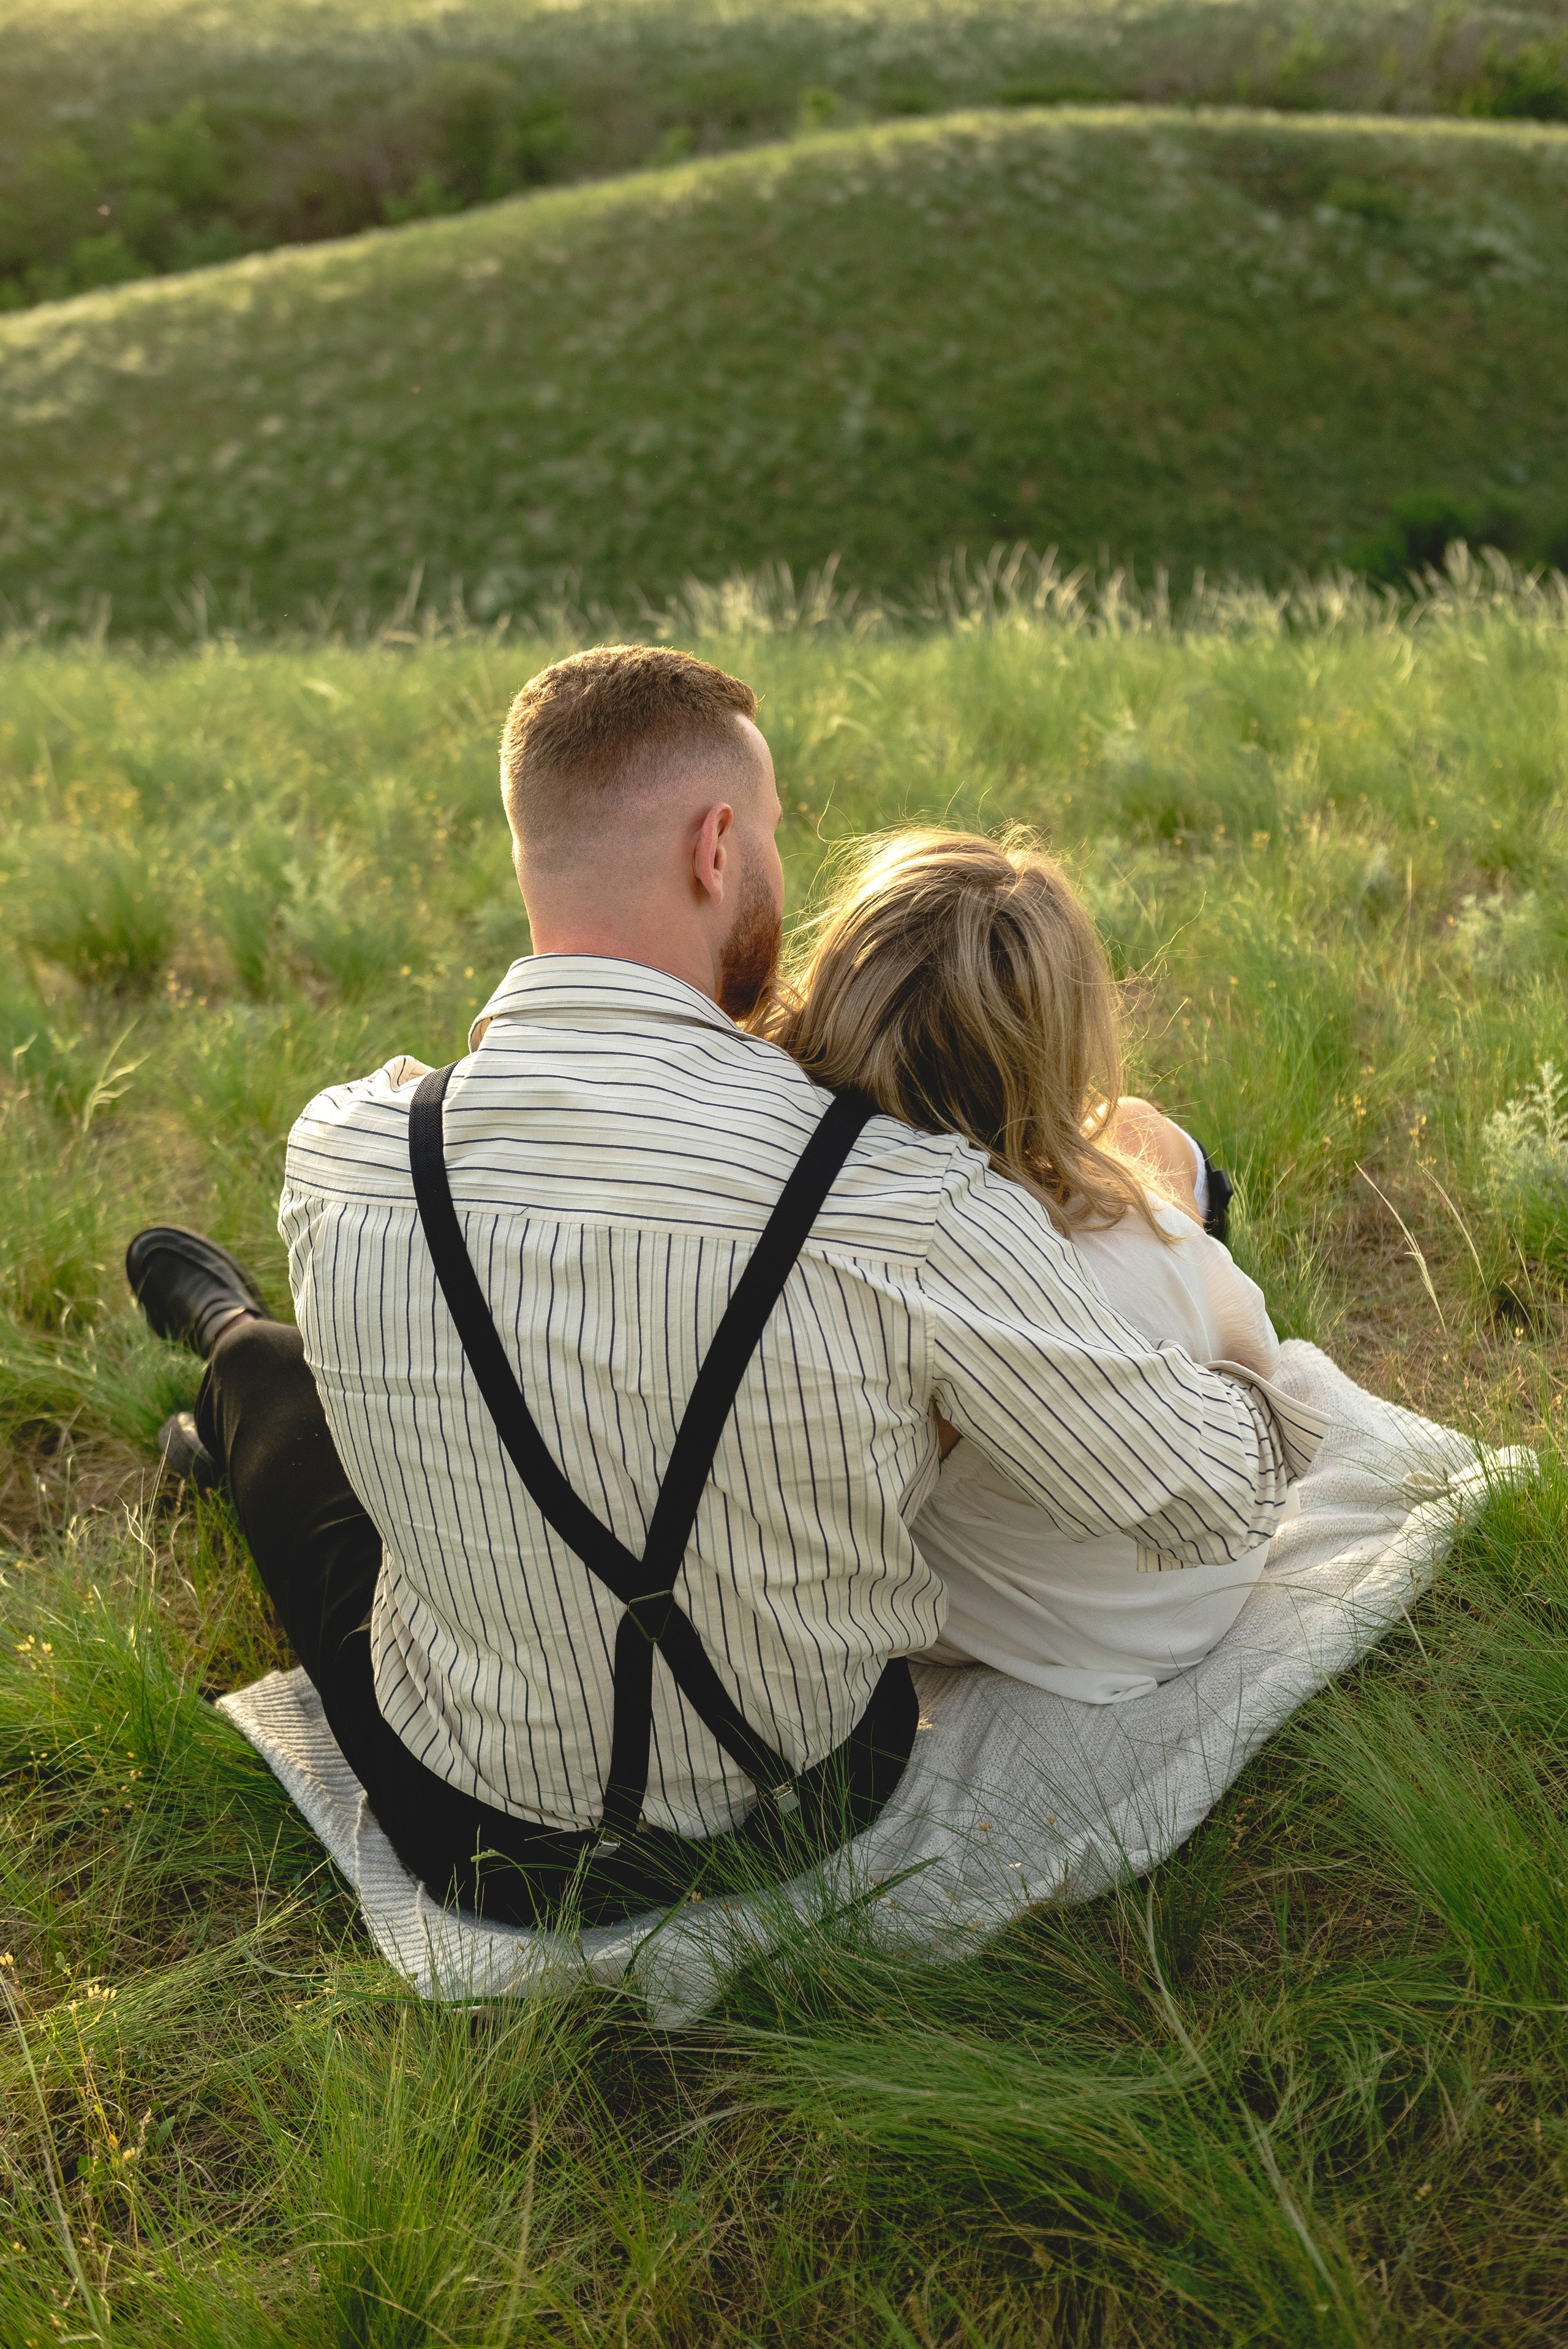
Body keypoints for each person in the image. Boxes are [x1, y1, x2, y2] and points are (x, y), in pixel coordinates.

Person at [125, 644, 1322, 1931]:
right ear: (714, 847)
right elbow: (1210, 1497)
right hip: (811, 1798)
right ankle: (234, 1355)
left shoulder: (345, 1151)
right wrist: (1237, 1340)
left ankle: (228, 1344)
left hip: (481, 1841)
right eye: (774, 834)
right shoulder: (902, 1196)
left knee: (276, 1386)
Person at [764, 828, 1292, 1705]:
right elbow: (1253, 1387)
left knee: (1138, 1139)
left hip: (1077, 1609)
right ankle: (1190, 1179)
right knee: (1141, 1135)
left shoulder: (877, 1247)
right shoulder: (1098, 1247)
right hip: (1170, 1596)